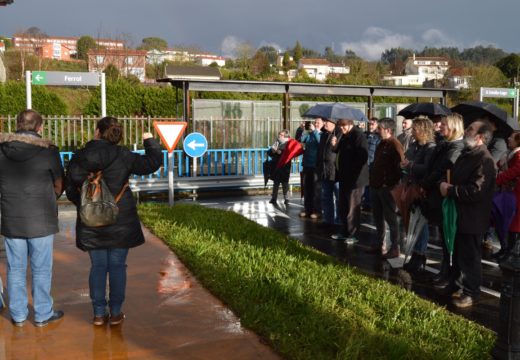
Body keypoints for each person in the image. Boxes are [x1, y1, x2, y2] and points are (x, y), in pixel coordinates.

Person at [66, 116, 162, 325]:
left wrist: (85, 206)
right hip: (121, 219)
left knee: (98, 266)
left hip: (91, 221)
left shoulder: (80, 156)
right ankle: (116, 312)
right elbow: (153, 163)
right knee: (117, 266)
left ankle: (99, 314)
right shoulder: (124, 156)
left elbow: (70, 187)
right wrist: (149, 141)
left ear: (97, 132)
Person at [0, 110, 65, 327]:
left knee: (15, 269)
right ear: (39, 127)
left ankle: (18, 315)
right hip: (42, 218)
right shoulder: (48, 151)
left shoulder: (2, 150)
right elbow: (59, 183)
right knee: (41, 269)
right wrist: (50, 197)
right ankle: (42, 314)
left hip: (12, 217)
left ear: (17, 125)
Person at [439, 120, 496, 308]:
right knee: (459, 255)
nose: (466, 131)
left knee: (470, 258)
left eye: (471, 129)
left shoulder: (484, 159)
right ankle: (458, 285)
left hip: (472, 218)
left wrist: (451, 190)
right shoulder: (467, 154)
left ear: (480, 137)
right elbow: (453, 174)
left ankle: (471, 292)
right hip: (459, 215)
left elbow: (475, 190)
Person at [421, 114, 465, 285]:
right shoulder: (444, 144)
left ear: (454, 127)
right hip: (437, 195)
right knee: (444, 239)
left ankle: (452, 275)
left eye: (444, 125)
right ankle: (446, 270)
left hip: (446, 198)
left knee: (450, 240)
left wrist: (426, 183)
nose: (439, 127)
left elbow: (443, 170)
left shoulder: (457, 147)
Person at [400, 117, 436, 272]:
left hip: (422, 189)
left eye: (414, 129)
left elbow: (427, 168)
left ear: (423, 131)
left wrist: (410, 165)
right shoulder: (415, 146)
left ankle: (419, 254)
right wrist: (405, 164)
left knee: (421, 224)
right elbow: (407, 160)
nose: (412, 132)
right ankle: (416, 253)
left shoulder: (430, 147)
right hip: (411, 186)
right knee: (412, 223)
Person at [368, 118, 404, 258]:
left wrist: (390, 183)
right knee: (378, 217)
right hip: (376, 186)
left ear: (388, 130)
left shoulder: (395, 145)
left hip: (387, 188)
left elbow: (401, 166)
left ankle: (395, 247)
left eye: (380, 128)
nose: (377, 130)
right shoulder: (381, 143)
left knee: (391, 219)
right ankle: (380, 243)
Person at [331, 119, 369, 242]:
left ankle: (353, 233)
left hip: (355, 178)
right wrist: (334, 145)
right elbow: (338, 151)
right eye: (340, 125)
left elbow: (362, 156)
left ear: (350, 124)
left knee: (353, 207)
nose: (341, 128)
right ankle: (344, 230)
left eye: (344, 125)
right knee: (343, 205)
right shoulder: (344, 135)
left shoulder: (358, 135)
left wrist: (353, 172)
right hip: (343, 176)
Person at [495, 131, 520, 260]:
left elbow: (514, 171)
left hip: (515, 194)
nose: (508, 138)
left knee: (514, 224)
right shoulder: (509, 154)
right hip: (509, 192)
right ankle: (507, 251)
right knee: (507, 222)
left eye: (511, 137)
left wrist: (497, 179)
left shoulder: (518, 154)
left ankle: (510, 254)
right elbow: (499, 165)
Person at [315, 118, 340, 225]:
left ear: (334, 123)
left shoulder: (339, 135)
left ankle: (339, 220)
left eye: (327, 122)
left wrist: (336, 144)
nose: (324, 124)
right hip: (324, 171)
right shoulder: (324, 135)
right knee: (326, 197)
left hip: (336, 172)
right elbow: (320, 152)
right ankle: (328, 220)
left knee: (339, 197)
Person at [299, 118, 323, 218]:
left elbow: (320, 143)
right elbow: (301, 140)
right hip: (307, 164)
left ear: (322, 124)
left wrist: (316, 131)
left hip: (316, 166)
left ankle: (317, 210)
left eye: (318, 123)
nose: (316, 124)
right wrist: (304, 129)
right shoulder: (310, 134)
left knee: (316, 189)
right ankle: (307, 209)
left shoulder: (321, 134)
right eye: (315, 122)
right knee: (307, 188)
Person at [268, 129, 292, 205]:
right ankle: (274, 198)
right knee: (276, 182)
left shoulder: (288, 143)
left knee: (285, 183)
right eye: (279, 134)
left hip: (285, 166)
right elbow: (269, 152)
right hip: (276, 165)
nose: (279, 136)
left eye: (281, 135)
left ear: (286, 136)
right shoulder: (276, 142)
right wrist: (272, 151)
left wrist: (281, 152)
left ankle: (286, 198)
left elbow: (290, 154)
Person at [362, 117, 381, 210]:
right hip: (363, 164)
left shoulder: (378, 137)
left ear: (377, 125)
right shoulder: (364, 134)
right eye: (369, 123)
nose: (370, 125)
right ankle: (365, 203)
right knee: (363, 185)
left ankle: (369, 204)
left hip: (372, 165)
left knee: (370, 186)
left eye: (373, 124)